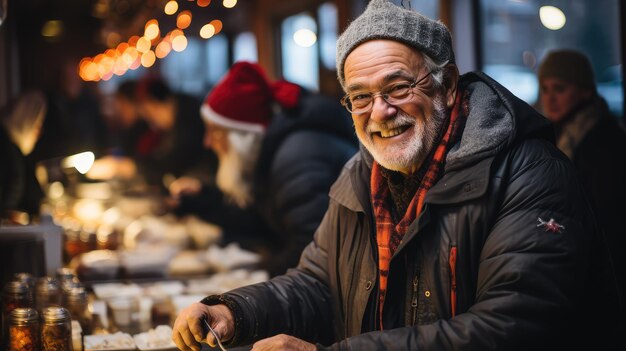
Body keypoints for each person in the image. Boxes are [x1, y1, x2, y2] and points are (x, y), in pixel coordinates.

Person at [172, 1, 622, 350]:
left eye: (399, 87)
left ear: (446, 85)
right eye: (361, 96)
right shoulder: (360, 175)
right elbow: (317, 283)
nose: (380, 112)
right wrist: (234, 311)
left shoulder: (529, 173)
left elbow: (509, 328)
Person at [169, 61, 358, 276]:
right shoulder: (274, 149)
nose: (208, 142)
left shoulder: (295, 157)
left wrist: (255, 282)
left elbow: (312, 250)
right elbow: (265, 222)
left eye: (216, 131)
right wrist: (205, 202)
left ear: (242, 136)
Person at [538, 49, 626, 305]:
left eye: (560, 88)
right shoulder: (553, 136)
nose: (550, 98)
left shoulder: (605, 143)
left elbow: (607, 222)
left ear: (585, 90)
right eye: (545, 89)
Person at [0, 90, 47, 220]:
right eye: (37, 124)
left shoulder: (12, 148)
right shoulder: (8, 151)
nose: (39, 132)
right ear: (24, 118)